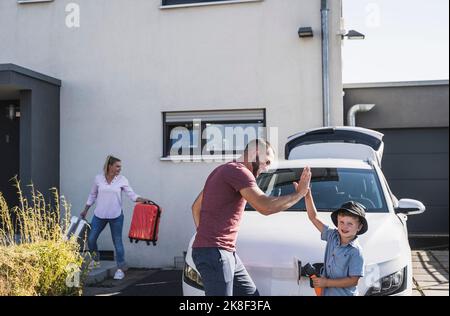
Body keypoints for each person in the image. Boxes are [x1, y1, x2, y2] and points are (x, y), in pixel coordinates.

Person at [191, 139, 312, 296]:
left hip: (222, 252)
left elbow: (195, 207)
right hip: (217, 253)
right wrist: (299, 194)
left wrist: (205, 239)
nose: (267, 168)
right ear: (255, 153)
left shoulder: (222, 170)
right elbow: (265, 206)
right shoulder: (240, 172)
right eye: (266, 162)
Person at [80, 155, 151, 280]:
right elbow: (92, 195)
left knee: (117, 242)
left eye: (120, 166)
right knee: (91, 239)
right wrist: (85, 210)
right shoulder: (98, 179)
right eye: (117, 166)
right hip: (99, 215)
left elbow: (132, 195)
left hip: (116, 216)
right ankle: (94, 259)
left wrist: (142, 199)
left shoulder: (122, 180)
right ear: (110, 166)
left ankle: (120, 268)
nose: (119, 168)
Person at [305, 188, 368, 296]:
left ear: (359, 227)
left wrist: (326, 282)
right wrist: (307, 196)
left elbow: (353, 280)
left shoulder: (356, 251)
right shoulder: (332, 236)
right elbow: (313, 217)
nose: (344, 226)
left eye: (350, 223)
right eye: (341, 222)